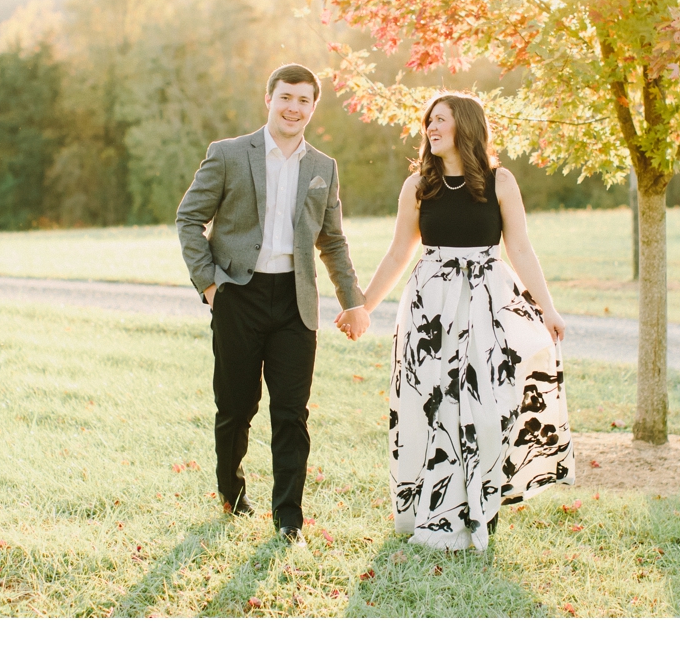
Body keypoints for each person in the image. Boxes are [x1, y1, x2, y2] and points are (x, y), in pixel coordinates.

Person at [346, 92, 575, 552]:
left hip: (489, 303)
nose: (431, 128)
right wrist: (364, 305)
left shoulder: (499, 181)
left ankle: (481, 508)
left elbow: (522, 250)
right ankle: (434, 516)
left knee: (489, 409)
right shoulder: (417, 186)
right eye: (429, 121)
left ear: (465, 127)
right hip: (430, 307)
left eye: (441, 121)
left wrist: (547, 307)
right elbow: (397, 252)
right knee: (433, 409)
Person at [176, 63, 372, 549]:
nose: (294, 108)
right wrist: (210, 288)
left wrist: (355, 302)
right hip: (237, 296)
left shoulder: (323, 167)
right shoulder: (227, 155)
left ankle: (289, 521)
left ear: (312, 107)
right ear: (269, 99)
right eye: (286, 97)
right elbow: (189, 220)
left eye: (305, 100)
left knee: (291, 413)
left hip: (295, 303)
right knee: (236, 408)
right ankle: (231, 493)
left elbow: (333, 241)